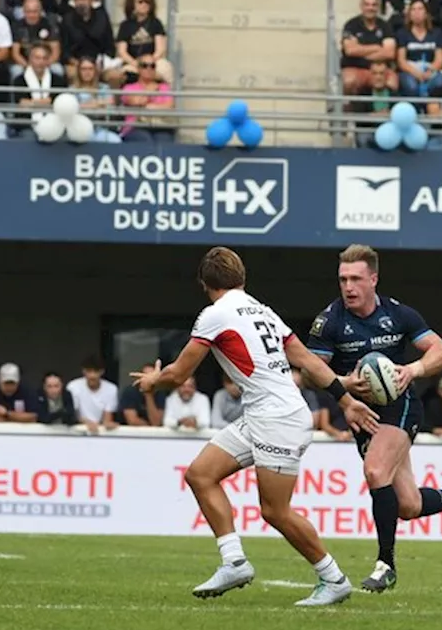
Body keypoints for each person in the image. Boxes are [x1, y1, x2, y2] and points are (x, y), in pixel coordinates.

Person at [130, 247, 379, 607]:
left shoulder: (215, 315)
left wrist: (155, 380)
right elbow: (307, 360)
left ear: (204, 283)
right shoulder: (263, 311)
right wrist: (344, 398)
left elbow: (181, 372)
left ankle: (333, 578)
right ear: (242, 279)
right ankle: (234, 561)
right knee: (200, 475)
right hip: (263, 415)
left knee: (275, 511)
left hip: (277, 419)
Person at [308, 244, 442, 593]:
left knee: (375, 472)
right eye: (342, 279)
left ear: (373, 279)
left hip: (401, 406)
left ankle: (386, 565)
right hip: (361, 412)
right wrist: (345, 385)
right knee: (408, 505)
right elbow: (310, 370)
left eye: (355, 279)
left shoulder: (399, 315)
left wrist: (413, 369)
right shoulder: (330, 321)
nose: (348, 287)